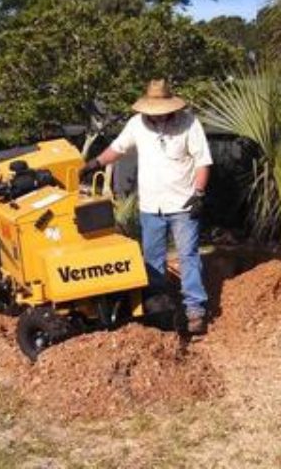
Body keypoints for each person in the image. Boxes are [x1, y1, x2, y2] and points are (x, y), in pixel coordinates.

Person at [80, 79, 212, 334]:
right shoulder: (137, 124)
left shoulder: (188, 123)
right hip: (151, 205)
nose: (157, 115)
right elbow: (117, 149)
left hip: (183, 204)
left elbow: (203, 161)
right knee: (152, 260)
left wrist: (199, 194)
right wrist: (94, 164)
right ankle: (158, 309)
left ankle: (195, 310)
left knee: (188, 256)